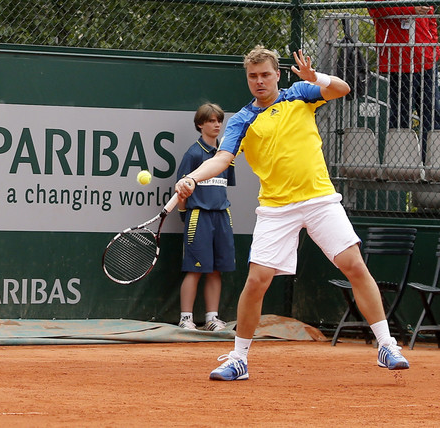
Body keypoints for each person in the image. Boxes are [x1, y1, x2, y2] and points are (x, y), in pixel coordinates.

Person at [174, 46, 410, 381]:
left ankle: (386, 345)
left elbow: (342, 89)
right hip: (276, 208)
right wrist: (191, 177)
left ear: (277, 75)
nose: (259, 81)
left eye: (265, 75)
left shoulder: (299, 93)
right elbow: (221, 159)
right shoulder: (242, 119)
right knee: (257, 281)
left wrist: (318, 78)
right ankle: (239, 358)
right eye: (253, 76)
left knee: (354, 265)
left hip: (319, 200)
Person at [176, 103, 236, 331]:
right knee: (195, 268)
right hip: (198, 216)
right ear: (200, 124)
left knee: (215, 269)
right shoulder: (192, 153)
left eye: (219, 120)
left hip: (221, 216)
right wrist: (184, 212)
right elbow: (180, 188)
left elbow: (223, 186)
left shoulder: (226, 155)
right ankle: (185, 319)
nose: (216, 124)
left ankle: (212, 318)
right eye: (211, 120)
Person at [367, 0, 440, 160]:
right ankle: (400, 163)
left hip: (425, 59)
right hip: (398, 60)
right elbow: (376, 9)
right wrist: (410, 9)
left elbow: (431, 18)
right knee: (401, 114)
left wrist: (434, 49)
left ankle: (431, 162)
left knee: (433, 111)